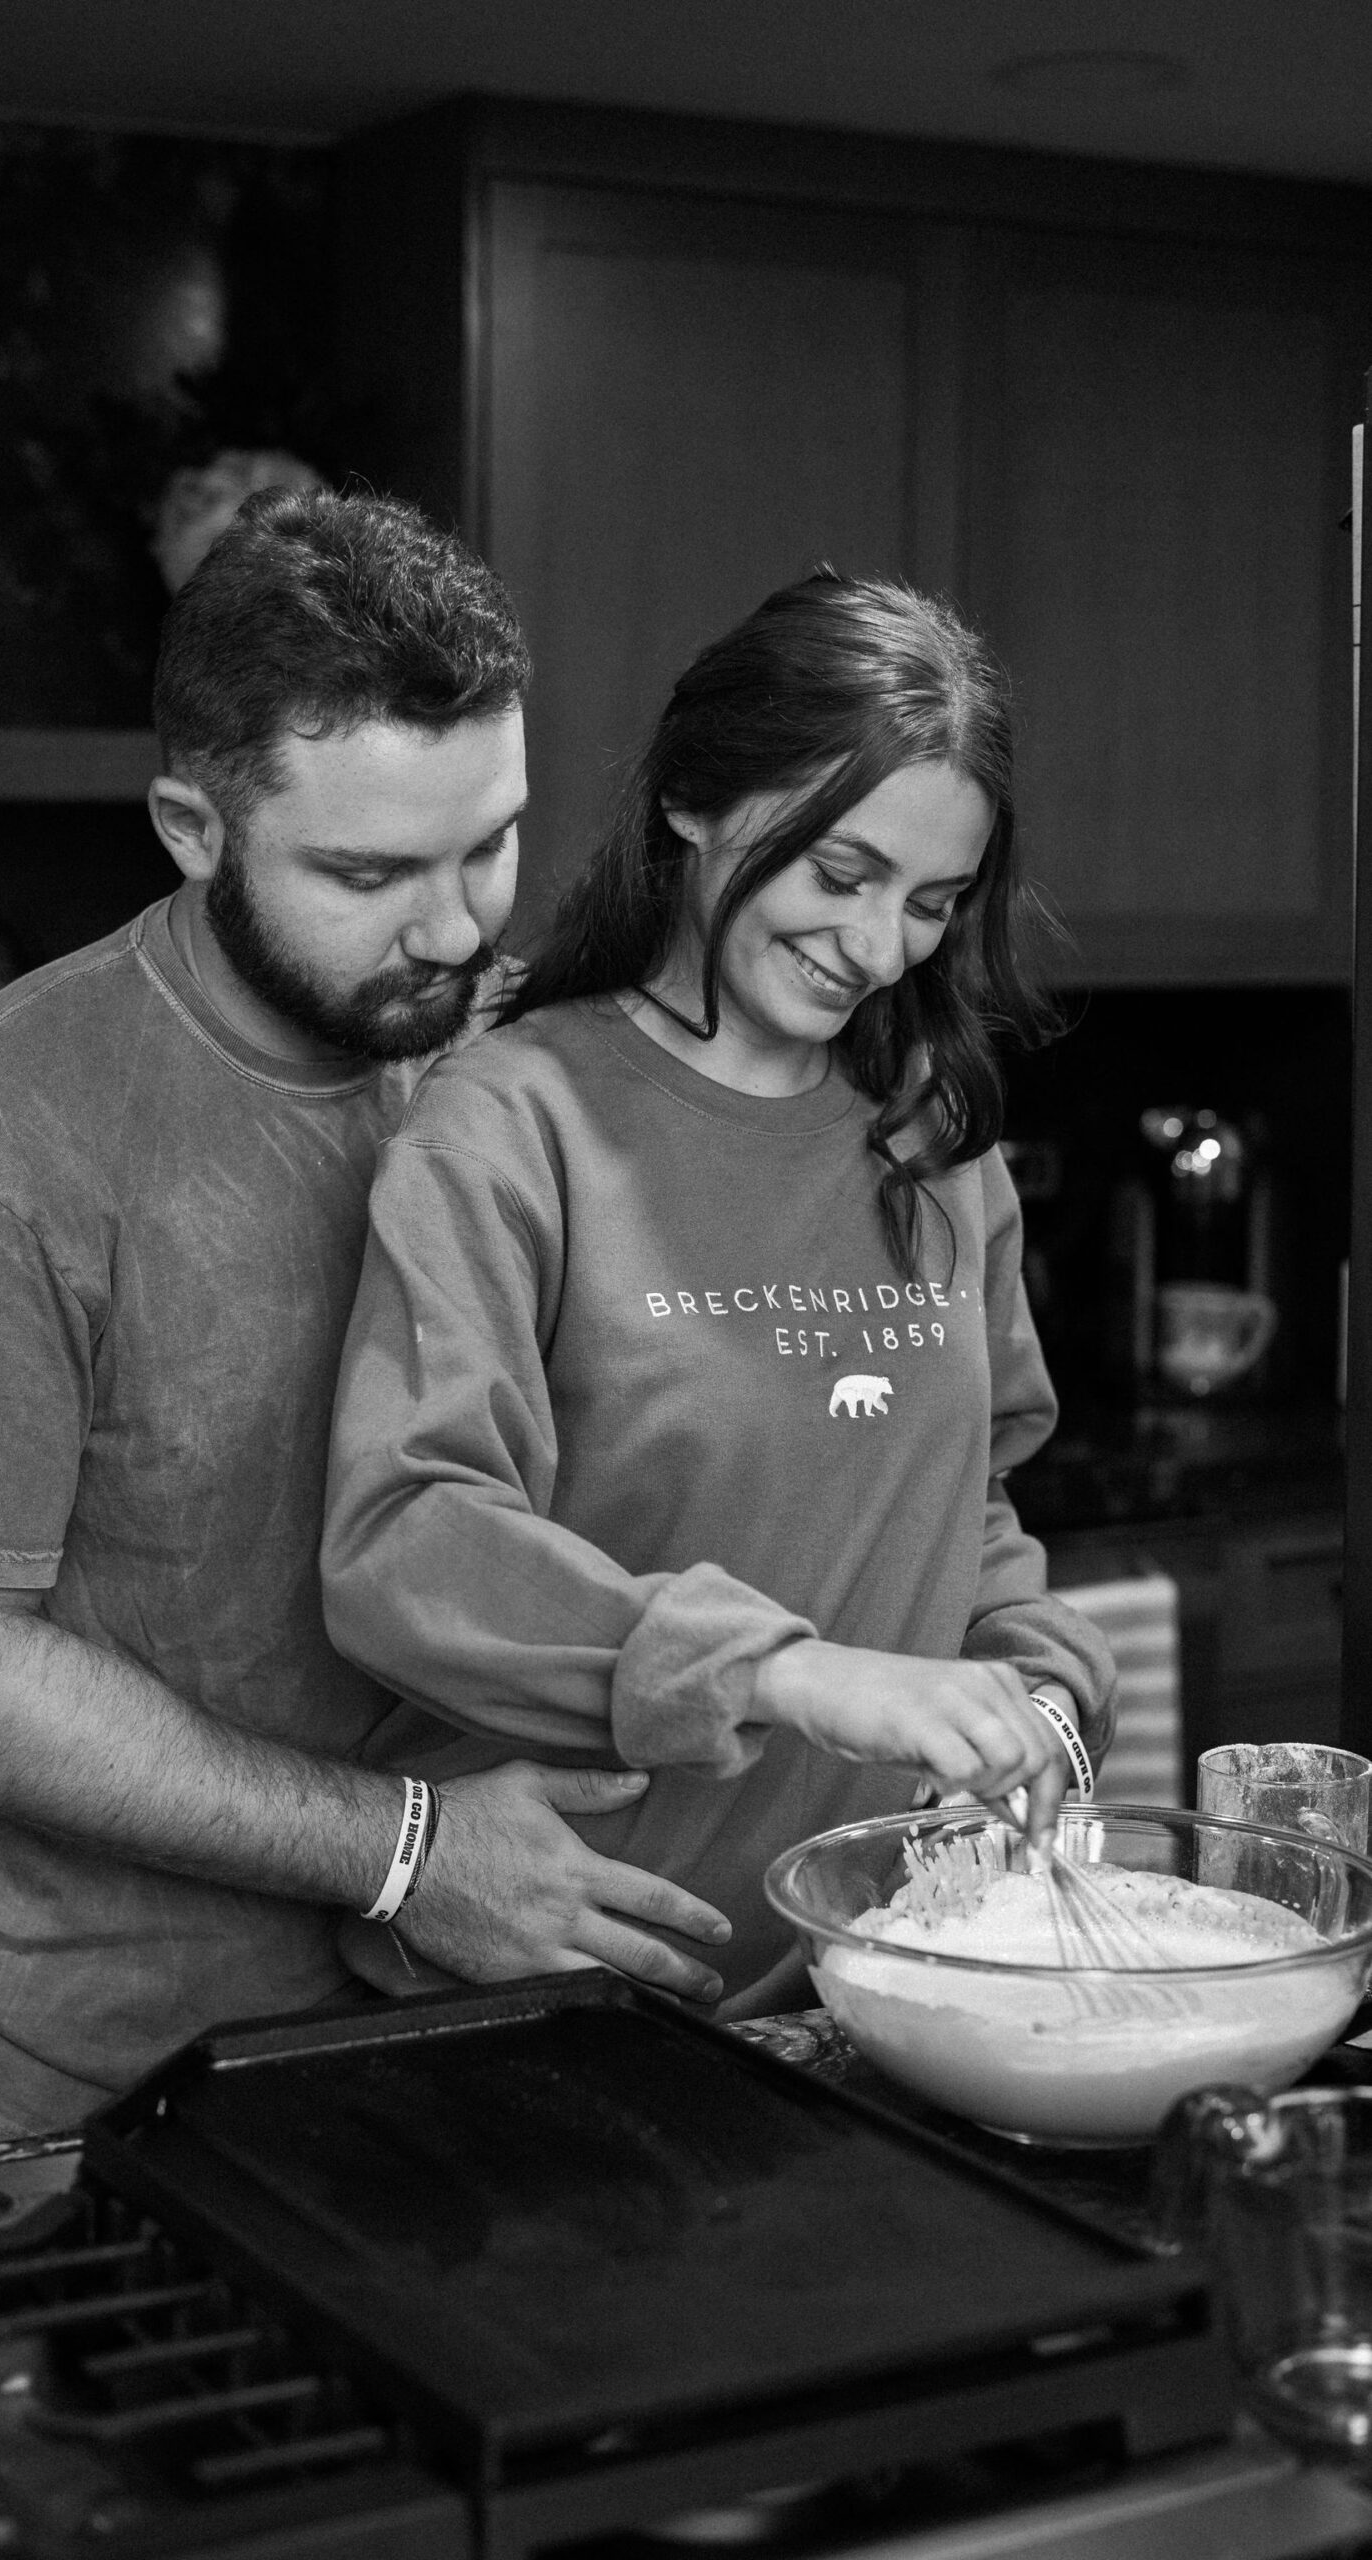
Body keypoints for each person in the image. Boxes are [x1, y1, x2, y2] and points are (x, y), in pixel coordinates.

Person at [0, 489, 731, 2138]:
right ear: (191, 825)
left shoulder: (518, 1057)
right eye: (368, 871)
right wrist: (405, 1850)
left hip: (504, 2012)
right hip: (97, 2092)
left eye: (489, 842)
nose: (455, 930)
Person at [321, 567, 1117, 2013]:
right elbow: (407, 1541)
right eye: (840, 872)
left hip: (871, 1988)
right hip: (570, 1979)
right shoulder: (514, 1120)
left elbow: (969, 1510)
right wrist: (790, 1674)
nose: (880, 951)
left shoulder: (934, 1137)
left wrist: (1045, 1702)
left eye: (933, 902)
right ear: (693, 798)